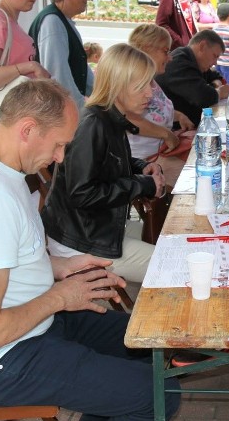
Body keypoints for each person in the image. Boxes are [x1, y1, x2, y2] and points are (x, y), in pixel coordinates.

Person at [0, 79, 180, 421]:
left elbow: (3, 256)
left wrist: (61, 265)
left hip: (35, 323)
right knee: (158, 394)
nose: (60, 157)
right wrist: (61, 297)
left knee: (148, 347)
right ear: (28, 130)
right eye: (60, 145)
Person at [41, 45, 165, 284]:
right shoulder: (92, 125)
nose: (150, 93)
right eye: (141, 86)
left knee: (170, 237)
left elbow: (106, 162)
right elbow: (82, 193)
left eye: (150, 84)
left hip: (94, 226)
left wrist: (140, 167)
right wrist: (144, 185)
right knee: (173, 263)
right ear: (117, 85)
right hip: (79, 241)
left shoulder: (107, 117)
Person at [127, 23, 196, 186]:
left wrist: (178, 116)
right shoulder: (132, 82)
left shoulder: (151, 81)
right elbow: (126, 119)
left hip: (162, 152)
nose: (170, 57)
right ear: (145, 49)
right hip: (144, 162)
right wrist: (166, 134)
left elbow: (156, 110)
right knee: (199, 176)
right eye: (166, 51)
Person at [29, 0, 94, 108]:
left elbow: (81, 68)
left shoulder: (62, 20)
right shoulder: (52, 23)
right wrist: (80, 110)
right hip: (61, 111)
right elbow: (58, 76)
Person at [155, 30, 229, 126]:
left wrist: (214, 85)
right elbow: (203, 97)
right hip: (175, 128)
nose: (215, 63)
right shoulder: (179, 62)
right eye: (214, 56)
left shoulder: (194, 61)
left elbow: (216, 76)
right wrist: (219, 92)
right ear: (202, 46)